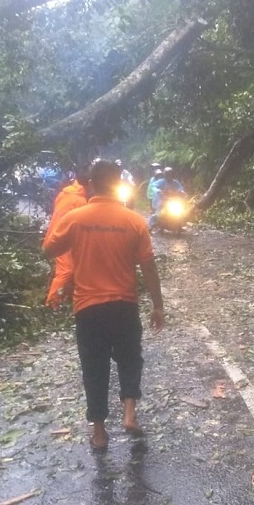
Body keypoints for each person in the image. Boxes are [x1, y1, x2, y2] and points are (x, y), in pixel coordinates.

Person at [42, 159, 165, 450]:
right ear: (117, 185)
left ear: (92, 185)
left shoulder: (75, 218)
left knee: (94, 368)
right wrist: (158, 306)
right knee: (130, 358)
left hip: (88, 308)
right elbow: (149, 267)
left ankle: (99, 433)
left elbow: (49, 249)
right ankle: (129, 414)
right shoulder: (134, 221)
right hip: (124, 304)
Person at [43, 167, 90, 309]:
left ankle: (67, 299)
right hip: (62, 239)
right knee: (66, 271)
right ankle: (52, 305)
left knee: (73, 269)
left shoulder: (65, 193)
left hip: (56, 236)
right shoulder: (80, 201)